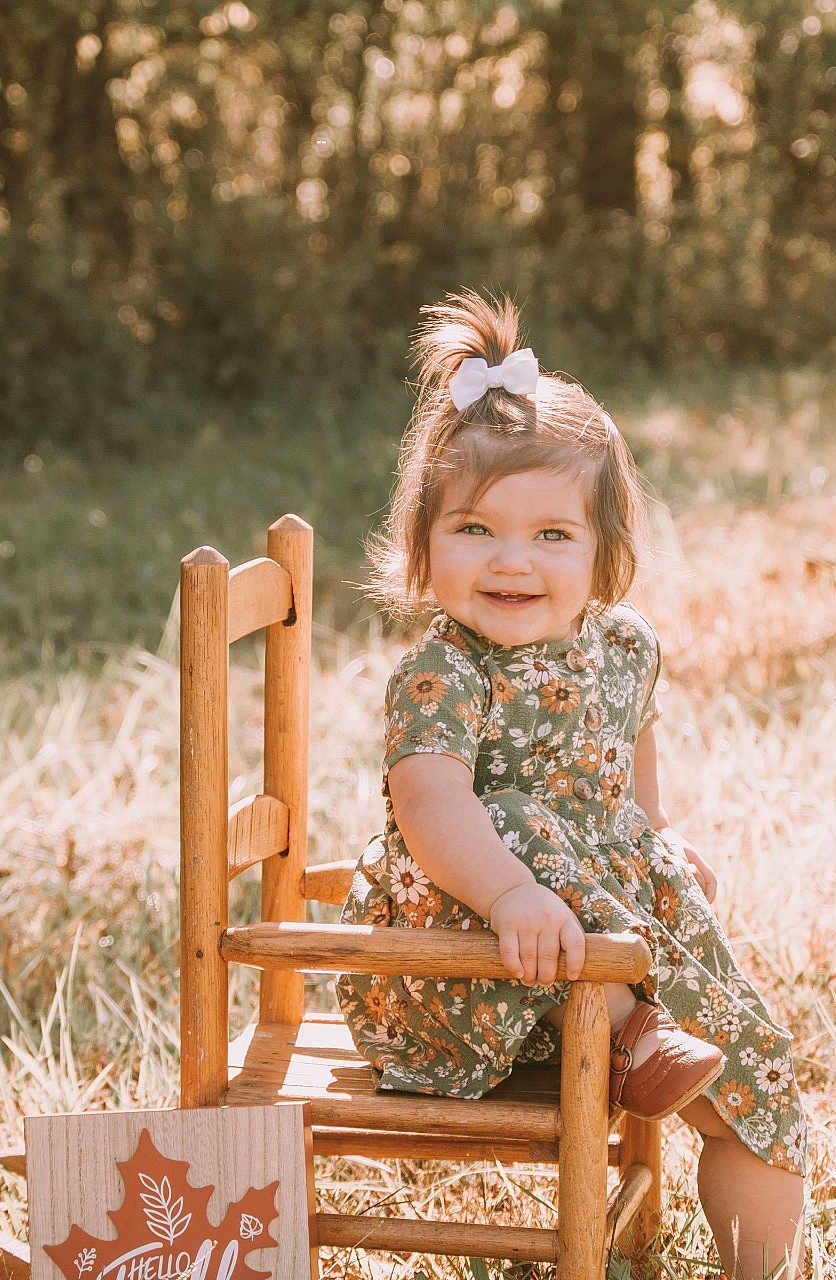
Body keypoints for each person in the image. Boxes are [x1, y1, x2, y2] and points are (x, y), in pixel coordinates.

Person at [334, 289, 806, 1278]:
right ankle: (635, 1034)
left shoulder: (624, 648)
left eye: (552, 534)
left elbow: (632, 778)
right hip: (462, 969)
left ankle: (759, 1261)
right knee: (513, 818)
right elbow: (430, 807)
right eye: (474, 529)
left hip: (600, 948)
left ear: (603, 552)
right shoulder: (443, 671)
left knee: (758, 1078)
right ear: (423, 542)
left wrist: (660, 843)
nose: (512, 561)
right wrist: (511, 890)